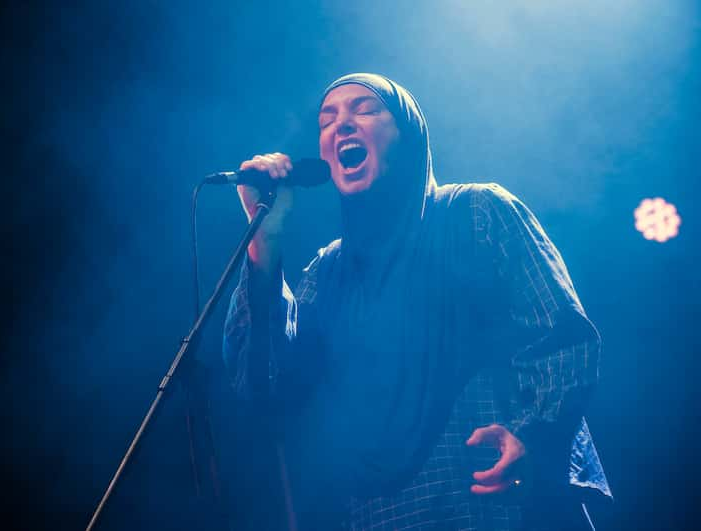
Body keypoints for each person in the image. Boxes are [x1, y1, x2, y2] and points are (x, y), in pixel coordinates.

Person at [222, 73, 611, 530]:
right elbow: (265, 382)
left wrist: (536, 434)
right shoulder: (328, 272)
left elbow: (561, 335)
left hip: (495, 500)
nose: (341, 125)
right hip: (387, 514)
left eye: (364, 110)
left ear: (408, 136)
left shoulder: (477, 213)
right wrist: (264, 241)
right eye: (327, 120)